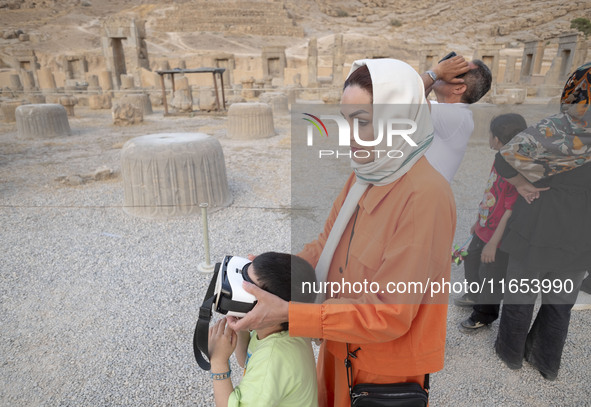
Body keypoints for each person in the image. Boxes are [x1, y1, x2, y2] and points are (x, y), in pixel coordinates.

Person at [227, 59, 456, 407]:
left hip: (382, 370)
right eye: (347, 121)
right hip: (338, 343)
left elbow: (390, 313)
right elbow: (325, 247)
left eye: (363, 122)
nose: (349, 135)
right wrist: (271, 273)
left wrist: (291, 314)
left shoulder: (426, 196)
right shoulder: (366, 173)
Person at [493, 62, 591, 381]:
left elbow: (504, 157)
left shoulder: (557, 127)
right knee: (560, 302)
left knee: (521, 293)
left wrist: (523, 183)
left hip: (538, 220)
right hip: (582, 230)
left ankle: (510, 354)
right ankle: (546, 363)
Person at [207, 252, 318, 407]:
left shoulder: (271, 360)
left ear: (274, 309)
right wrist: (240, 323)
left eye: (248, 288)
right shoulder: (283, 327)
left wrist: (218, 362)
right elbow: (245, 358)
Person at [457, 113, 527, 331]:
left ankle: (484, 314)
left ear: (496, 139)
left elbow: (509, 210)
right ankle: (474, 295)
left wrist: (493, 244)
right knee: (470, 260)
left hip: (497, 235)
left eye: (489, 133)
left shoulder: (515, 169)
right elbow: (490, 195)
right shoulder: (501, 161)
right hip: (484, 227)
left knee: (491, 276)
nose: (488, 137)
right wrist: (478, 222)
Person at [421, 56, 493, 182]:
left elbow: (404, 97)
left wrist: (436, 73)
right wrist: (435, 76)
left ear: (459, 89)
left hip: (422, 197)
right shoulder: (442, 110)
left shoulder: (458, 117)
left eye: (456, 71)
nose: (448, 70)